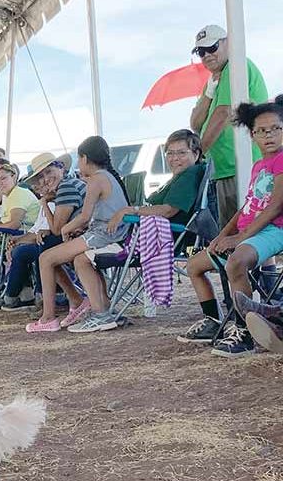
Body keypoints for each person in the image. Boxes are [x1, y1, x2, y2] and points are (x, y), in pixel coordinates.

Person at [177, 96, 283, 357]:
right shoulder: (260, 165)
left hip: (274, 229)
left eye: (275, 128)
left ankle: (244, 332)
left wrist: (241, 237)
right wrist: (223, 234)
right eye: (261, 131)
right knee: (193, 265)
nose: (268, 135)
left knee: (236, 262)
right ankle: (213, 321)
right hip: (249, 231)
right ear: (252, 135)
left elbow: (275, 207)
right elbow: (248, 206)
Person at [27, 136, 129, 333]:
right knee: (80, 259)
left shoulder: (95, 179)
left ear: (84, 158)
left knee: (45, 258)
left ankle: (48, 318)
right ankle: (102, 311)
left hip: (103, 234)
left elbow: (85, 216)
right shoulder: (107, 176)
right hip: (114, 233)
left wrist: (66, 229)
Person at [189, 24, 268, 226]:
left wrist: (196, 157)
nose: (206, 55)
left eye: (212, 47)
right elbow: (195, 123)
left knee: (246, 233)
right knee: (233, 235)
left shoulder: (236, 66)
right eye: (201, 51)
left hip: (241, 166)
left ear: (228, 43)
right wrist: (208, 93)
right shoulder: (215, 79)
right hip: (224, 169)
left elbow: (222, 114)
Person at [0, 153, 86, 311]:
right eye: (39, 179)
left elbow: (54, 229)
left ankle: (49, 304)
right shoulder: (60, 189)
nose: (43, 182)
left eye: (48, 173)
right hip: (79, 235)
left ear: (61, 168)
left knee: (43, 250)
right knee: (34, 247)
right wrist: (17, 241)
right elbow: (41, 229)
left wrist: (45, 203)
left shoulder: (64, 189)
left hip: (85, 237)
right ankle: (30, 297)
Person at [107, 130, 205, 231]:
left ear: (196, 154)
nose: (175, 158)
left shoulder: (189, 176)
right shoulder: (183, 175)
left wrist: (131, 210)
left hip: (164, 238)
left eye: (182, 153)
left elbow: (168, 211)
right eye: (170, 153)